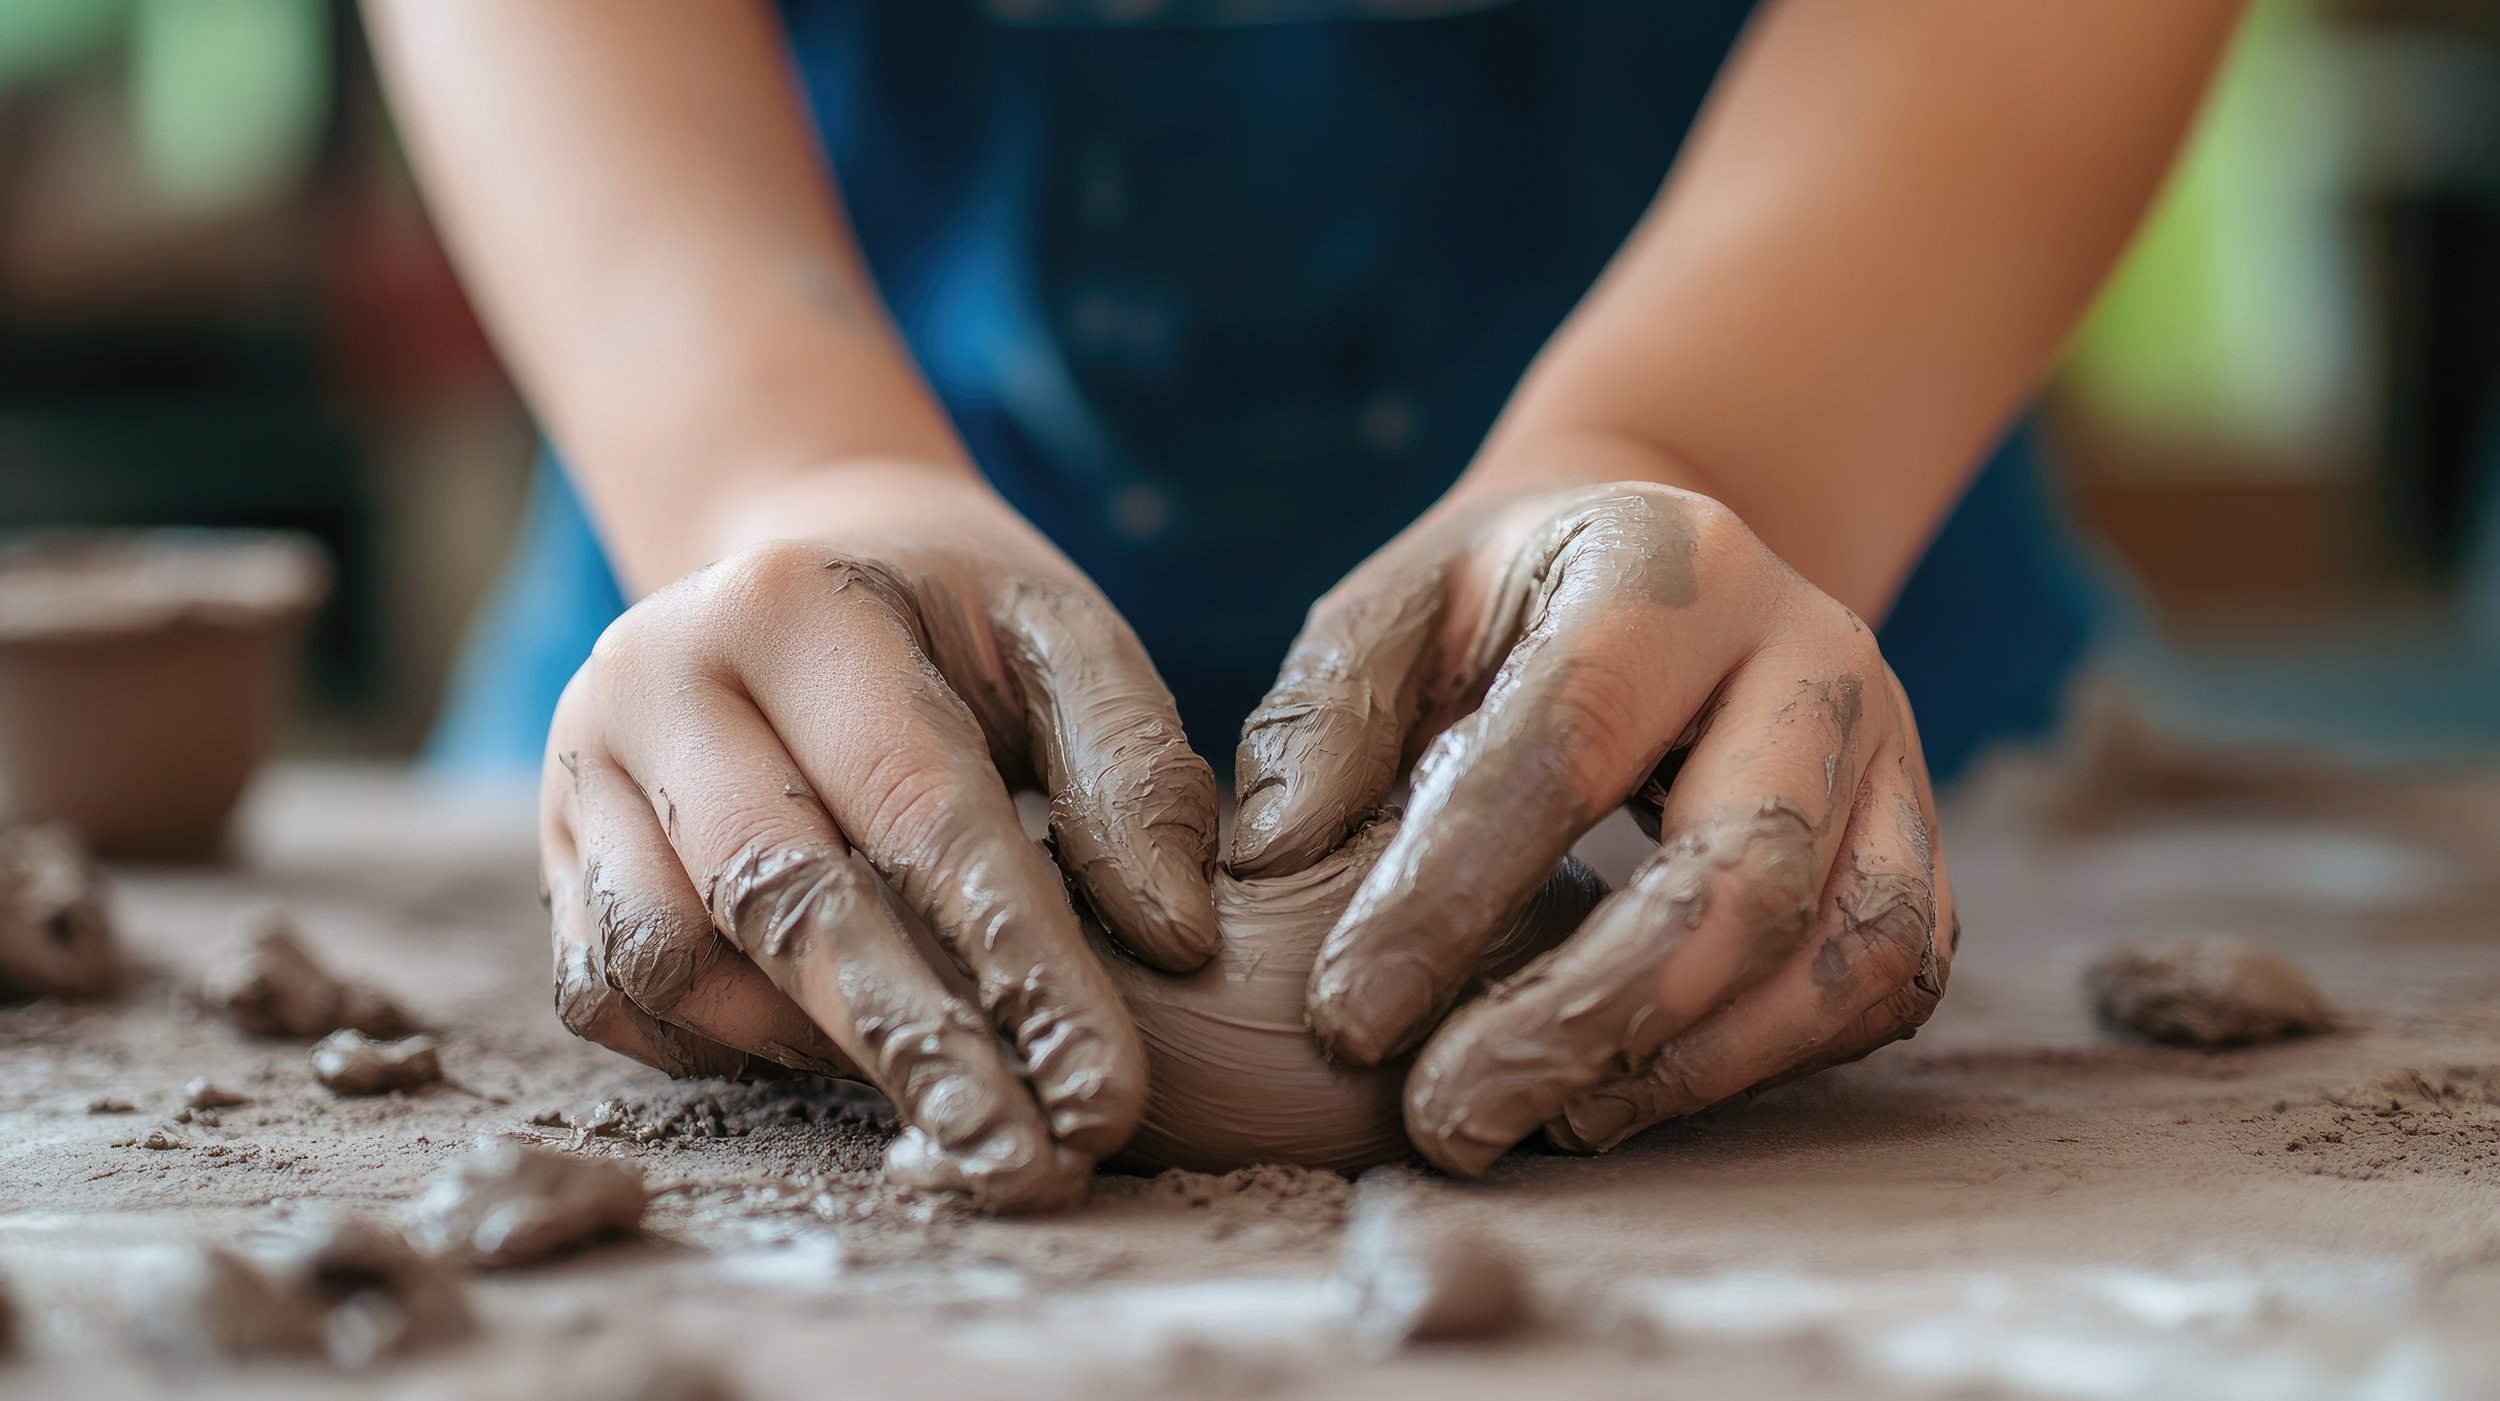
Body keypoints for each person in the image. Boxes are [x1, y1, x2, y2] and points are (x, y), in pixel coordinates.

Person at [369, 0, 2241, 1208]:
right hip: (747, 520)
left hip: (1799, 533)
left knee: (1762, 812)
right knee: (751, 786)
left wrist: (1688, 447)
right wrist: (780, 476)